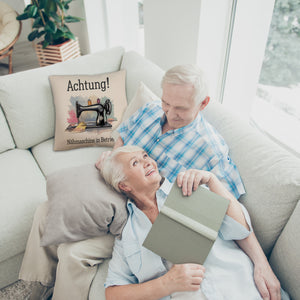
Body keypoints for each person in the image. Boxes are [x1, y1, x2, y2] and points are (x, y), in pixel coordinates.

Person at [19, 64, 280, 299]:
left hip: (142, 211)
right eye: (167, 102)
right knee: (48, 208)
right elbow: (122, 138)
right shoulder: (151, 110)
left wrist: (261, 263)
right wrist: (113, 158)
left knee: (74, 253)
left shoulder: (211, 151)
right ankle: (37, 284)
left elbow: (229, 211)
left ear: (203, 104)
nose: (169, 112)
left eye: (180, 108)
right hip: (120, 185)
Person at [100, 145, 287, 300]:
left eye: (145, 156)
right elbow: (113, 293)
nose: (148, 161)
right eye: (135, 163)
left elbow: (240, 229)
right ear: (124, 185)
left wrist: (212, 180)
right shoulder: (127, 236)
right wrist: (166, 283)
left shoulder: (189, 188)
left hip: (244, 290)